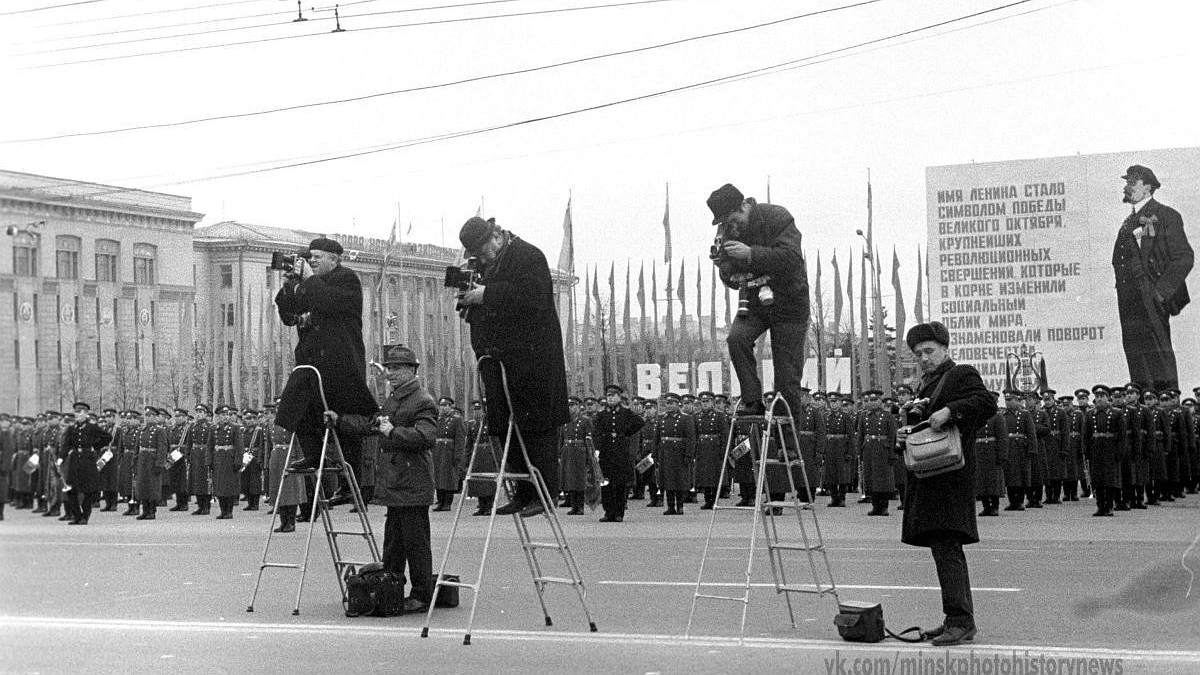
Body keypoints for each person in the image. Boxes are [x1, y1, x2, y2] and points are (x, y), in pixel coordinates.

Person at [456, 216, 570, 518]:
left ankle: (544, 493)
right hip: (499, 359)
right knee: (505, 425)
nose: (480, 259)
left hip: (531, 361)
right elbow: (478, 296)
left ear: (496, 237)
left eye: (482, 251)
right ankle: (522, 490)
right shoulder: (485, 264)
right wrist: (468, 297)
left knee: (536, 426)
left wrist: (487, 294)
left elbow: (533, 297)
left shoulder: (527, 256)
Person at [897, 321, 996, 647]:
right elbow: (926, 428)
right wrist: (905, 437)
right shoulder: (929, 384)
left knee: (948, 549)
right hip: (932, 477)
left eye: (929, 351)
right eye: (918, 354)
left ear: (944, 349)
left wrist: (951, 410)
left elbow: (986, 403)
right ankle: (955, 618)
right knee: (944, 549)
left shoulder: (960, 374)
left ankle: (961, 621)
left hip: (950, 479)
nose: (923, 358)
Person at [338, 344, 438, 614]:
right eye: (389, 368)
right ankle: (389, 587)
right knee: (393, 541)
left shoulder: (422, 400)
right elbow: (372, 425)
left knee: (416, 542)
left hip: (412, 481)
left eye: (396, 369)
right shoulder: (395, 399)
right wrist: (339, 421)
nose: (390, 373)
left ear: (411, 371)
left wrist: (393, 432)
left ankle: (421, 595)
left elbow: (426, 437)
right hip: (396, 481)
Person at [275, 237, 378, 489]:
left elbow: (327, 301)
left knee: (346, 419)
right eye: (310, 258)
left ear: (335, 259)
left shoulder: (347, 279)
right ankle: (313, 455)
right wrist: (290, 286)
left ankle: (349, 481)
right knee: (293, 407)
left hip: (340, 362)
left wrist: (309, 279)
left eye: (317, 258)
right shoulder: (309, 284)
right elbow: (288, 315)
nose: (312, 262)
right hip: (311, 361)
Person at [707, 183, 809, 418]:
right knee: (736, 339)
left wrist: (750, 253)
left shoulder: (777, 217)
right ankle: (752, 399)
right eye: (724, 221)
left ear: (744, 205)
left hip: (789, 303)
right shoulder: (728, 232)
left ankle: (788, 442)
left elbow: (792, 258)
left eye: (732, 218)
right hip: (754, 300)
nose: (730, 225)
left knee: (786, 376)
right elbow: (731, 279)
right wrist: (726, 267)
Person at [1112, 165, 1193, 391]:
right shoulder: (1130, 220)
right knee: (1135, 351)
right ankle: (1143, 403)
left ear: (1147, 187)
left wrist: (1160, 293)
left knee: (1158, 352)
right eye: (1126, 183)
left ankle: (1167, 403)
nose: (1126, 187)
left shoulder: (1166, 216)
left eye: (1132, 183)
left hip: (1151, 296)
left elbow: (1184, 257)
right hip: (1128, 298)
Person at [593, 384, 644, 523]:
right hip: (607, 452)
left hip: (621, 452)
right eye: (608, 396)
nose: (610, 398)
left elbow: (639, 422)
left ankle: (619, 512)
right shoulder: (602, 414)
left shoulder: (626, 413)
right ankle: (608, 511)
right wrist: (597, 449)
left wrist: (626, 433)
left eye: (613, 396)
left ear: (619, 397)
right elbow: (596, 433)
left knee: (620, 483)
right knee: (606, 483)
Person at [62, 402, 112, 525]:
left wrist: (95, 446)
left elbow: (108, 437)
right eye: (76, 412)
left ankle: (85, 516)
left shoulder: (92, 427)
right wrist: (61, 457)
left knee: (88, 491)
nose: (78, 415)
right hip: (75, 461)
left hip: (87, 461)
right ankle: (76, 515)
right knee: (71, 490)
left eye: (80, 412)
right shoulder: (72, 428)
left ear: (85, 414)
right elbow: (66, 445)